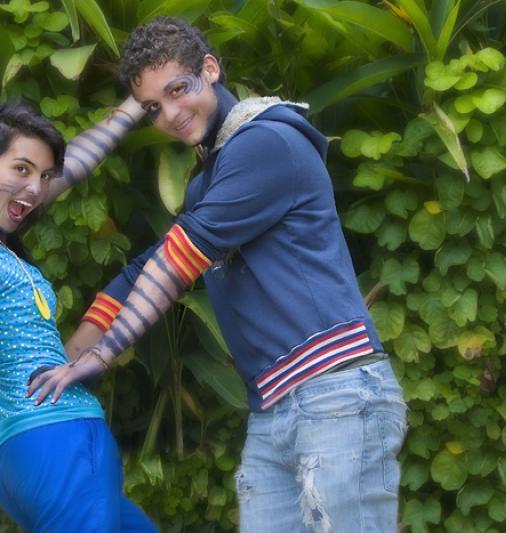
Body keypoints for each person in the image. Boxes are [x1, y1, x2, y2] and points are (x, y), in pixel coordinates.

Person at [27, 16, 408, 533]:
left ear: (211, 68)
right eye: (154, 108)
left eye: (179, 89)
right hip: (275, 409)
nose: (171, 114)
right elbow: (143, 269)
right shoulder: (210, 177)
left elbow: (177, 261)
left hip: (335, 394)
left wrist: (101, 355)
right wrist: (65, 363)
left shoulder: (264, 144)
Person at [0, 99, 158, 533]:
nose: (36, 188)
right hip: (55, 441)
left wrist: (134, 106)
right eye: (20, 169)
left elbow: (73, 166)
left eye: (42, 176)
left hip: (25, 453)